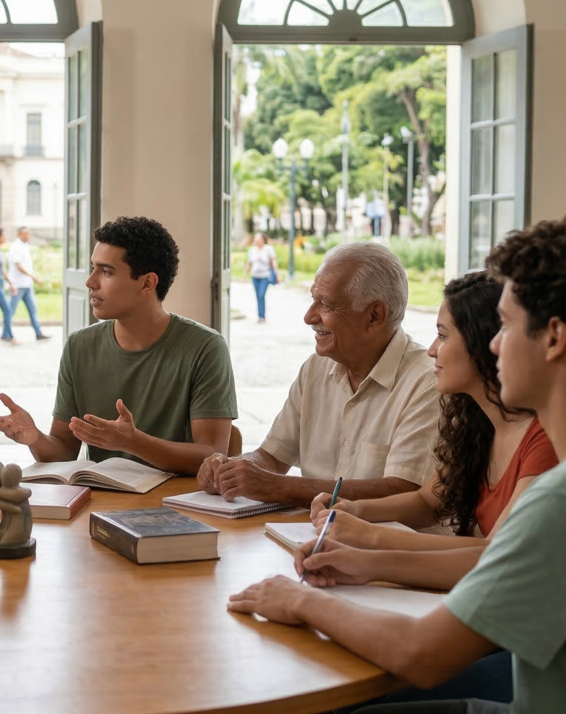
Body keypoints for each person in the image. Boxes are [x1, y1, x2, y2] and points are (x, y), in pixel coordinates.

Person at [228, 217, 566, 714]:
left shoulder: (553, 500)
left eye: (508, 326)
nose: (495, 344)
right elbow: (434, 504)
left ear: (554, 337)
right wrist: (364, 555)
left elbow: (421, 653)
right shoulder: (495, 443)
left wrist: (300, 599)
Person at [302, 272, 557, 592]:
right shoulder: (478, 424)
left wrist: (367, 542)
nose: (432, 350)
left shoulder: (542, 441)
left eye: (443, 336)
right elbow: (429, 501)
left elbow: (495, 556)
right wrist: (355, 511)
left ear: (483, 343)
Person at [0, 216, 237, 475]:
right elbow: (64, 450)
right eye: (93, 268)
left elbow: (211, 455)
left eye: (105, 271)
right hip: (103, 503)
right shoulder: (79, 346)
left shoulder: (205, 347)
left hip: (176, 506)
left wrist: (134, 442)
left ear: (147, 283)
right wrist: (35, 438)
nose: (90, 282)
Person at [198, 241, 439, 507]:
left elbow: (403, 493)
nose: (309, 316)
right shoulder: (316, 368)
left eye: (326, 304)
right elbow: (273, 458)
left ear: (375, 315)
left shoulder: (427, 383)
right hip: (313, 537)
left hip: (392, 545)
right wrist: (231, 470)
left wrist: (277, 486)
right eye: (313, 299)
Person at [8, 226, 51, 341]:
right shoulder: (15, 247)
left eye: (29, 233)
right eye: (25, 234)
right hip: (17, 285)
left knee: (32, 310)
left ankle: (38, 333)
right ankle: (5, 333)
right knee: (11, 311)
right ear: (19, 234)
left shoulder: (24, 246)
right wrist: (33, 277)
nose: (28, 236)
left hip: (27, 285)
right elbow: (18, 266)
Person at [244, 233, 279, 323]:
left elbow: (273, 262)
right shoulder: (252, 250)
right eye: (255, 238)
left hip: (265, 276)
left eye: (258, 238)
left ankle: (262, 316)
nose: (256, 240)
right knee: (258, 296)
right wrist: (245, 274)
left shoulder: (268, 249)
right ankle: (260, 316)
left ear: (263, 240)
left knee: (261, 295)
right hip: (255, 276)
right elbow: (249, 263)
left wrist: (277, 274)